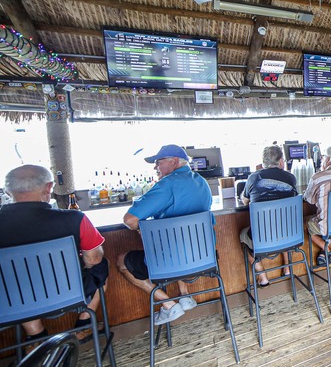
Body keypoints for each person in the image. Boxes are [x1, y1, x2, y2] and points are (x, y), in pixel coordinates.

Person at [0, 165, 108, 344]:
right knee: (102, 264)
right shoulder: (75, 218)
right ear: (49, 187)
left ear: (7, 191)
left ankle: (36, 336)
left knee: (17, 279)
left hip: (9, 303)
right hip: (68, 293)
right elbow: (94, 259)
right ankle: (84, 323)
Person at [117, 144, 213, 325]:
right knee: (177, 243)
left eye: (158, 162)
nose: (155, 167)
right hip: (204, 257)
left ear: (174, 161)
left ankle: (168, 304)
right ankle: (185, 296)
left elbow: (129, 220)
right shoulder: (201, 182)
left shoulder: (167, 184)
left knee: (123, 261)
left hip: (171, 262)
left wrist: (142, 231)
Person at [239, 145, 297, 287]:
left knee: (242, 234)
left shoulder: (254, 177)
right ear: (281, 161)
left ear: (263, 162)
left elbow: (245, 201)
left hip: (263, 238)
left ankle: (262, 276)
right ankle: (287, 267)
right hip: (290, 234)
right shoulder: (291, 178)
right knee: (283, 224)